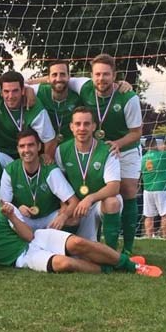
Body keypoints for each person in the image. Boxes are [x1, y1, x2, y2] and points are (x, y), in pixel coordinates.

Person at [0, 177, 161, 277]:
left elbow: (29, 235)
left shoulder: (1, 208)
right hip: (22, 259)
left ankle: (134, 267)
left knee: (77, 243)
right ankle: (113, 266)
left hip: (36, 240)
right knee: (63, 264)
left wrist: (12, 216)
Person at [67, 54, 142, 254]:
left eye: (106, 74)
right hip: (93, 150)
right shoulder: (84, 86)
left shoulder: (128, 97)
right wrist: (26, 84)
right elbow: (55, 79)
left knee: (127, 191)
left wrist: (116, 144)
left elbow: (136, 133)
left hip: (124, 148)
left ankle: (127, 248)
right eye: (98, 74)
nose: (101, 79)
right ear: (91, 76)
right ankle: (102, 243)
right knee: (99, 190)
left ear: (114, 75)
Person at [55, 107, 127, 253]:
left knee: (112, 202)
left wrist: (90, 198)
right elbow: (60, 184)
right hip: (77, 205)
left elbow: (114, 187)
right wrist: (65, 207)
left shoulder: (107, 150)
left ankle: (111, 253)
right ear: (71, 127)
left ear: (94, 126)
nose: (82, 128)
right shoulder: (61, 150)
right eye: (78, 124)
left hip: (98, 202)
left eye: (87, 124)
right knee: (82, 250)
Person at [0, 129, 79, 232]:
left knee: (74, 219)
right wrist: (19, 208)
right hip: (25, 219)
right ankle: (24, 242)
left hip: (48, 218)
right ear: (18, 149)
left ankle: (62, 244)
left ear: (39, 146)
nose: (26, 150)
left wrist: (63, 216)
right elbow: (4, 204)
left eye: (30, 145)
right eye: (22, 146)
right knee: (8, 215)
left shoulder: (50, 169)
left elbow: (74, 201)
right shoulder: (10, 170)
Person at [0, 70, 57, 160]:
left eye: (15, 91)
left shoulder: (35, 108)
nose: (11, 96)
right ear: (1, 92)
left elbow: (50, 140)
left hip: (26, 153)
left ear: (23, 90)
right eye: (6, 91)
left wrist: (46, 163)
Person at [28, 60, 83, 144]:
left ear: (69, 77)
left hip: (71, 146)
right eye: (54, 75)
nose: (58, 79)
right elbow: (19, 85)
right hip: (45, 147)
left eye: (62, 74)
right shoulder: (39, 91)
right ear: (48, 79)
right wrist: (28, 89)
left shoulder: (78, 95)